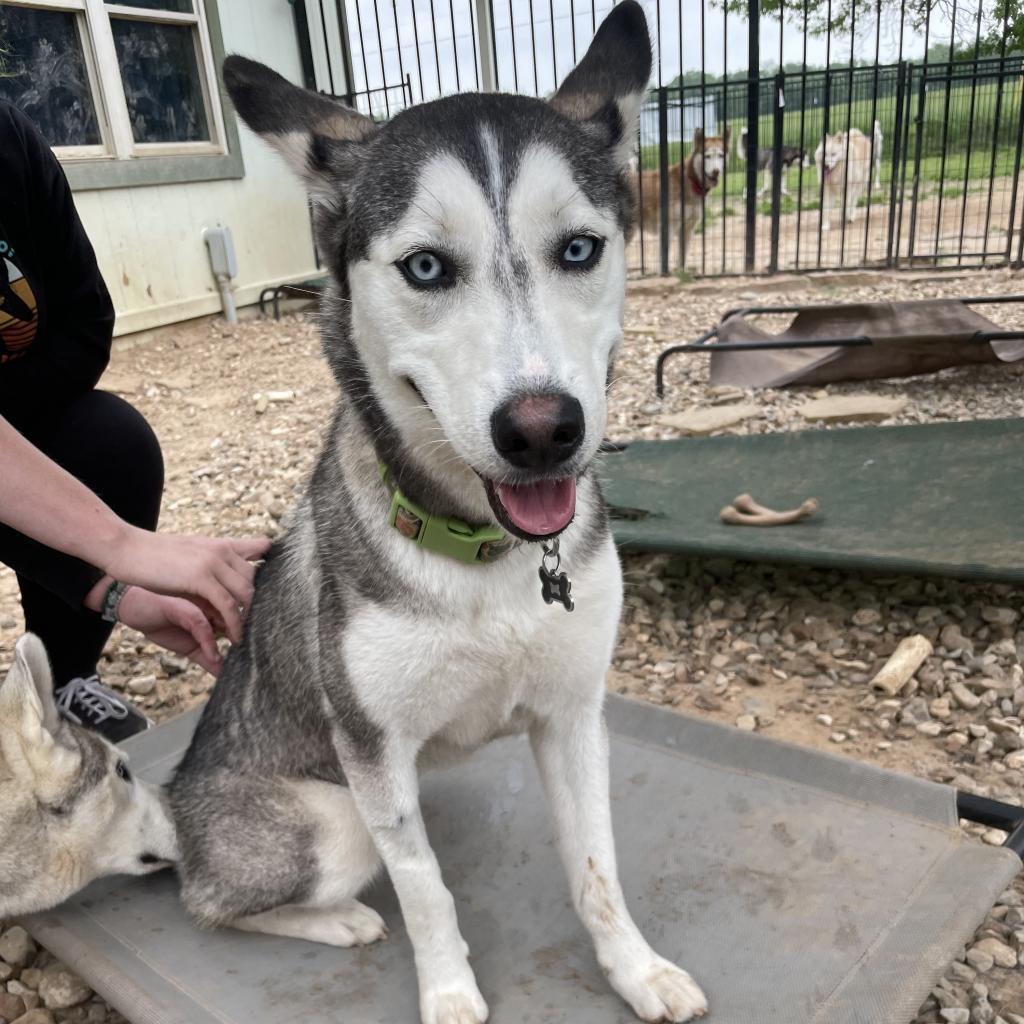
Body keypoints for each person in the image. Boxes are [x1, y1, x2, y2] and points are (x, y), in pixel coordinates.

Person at [0, 100, 269, 742]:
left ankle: (63, 678)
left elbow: (85, 324)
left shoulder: (10, 139)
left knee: (108, 444)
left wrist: (116, 588)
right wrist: (121, 552)